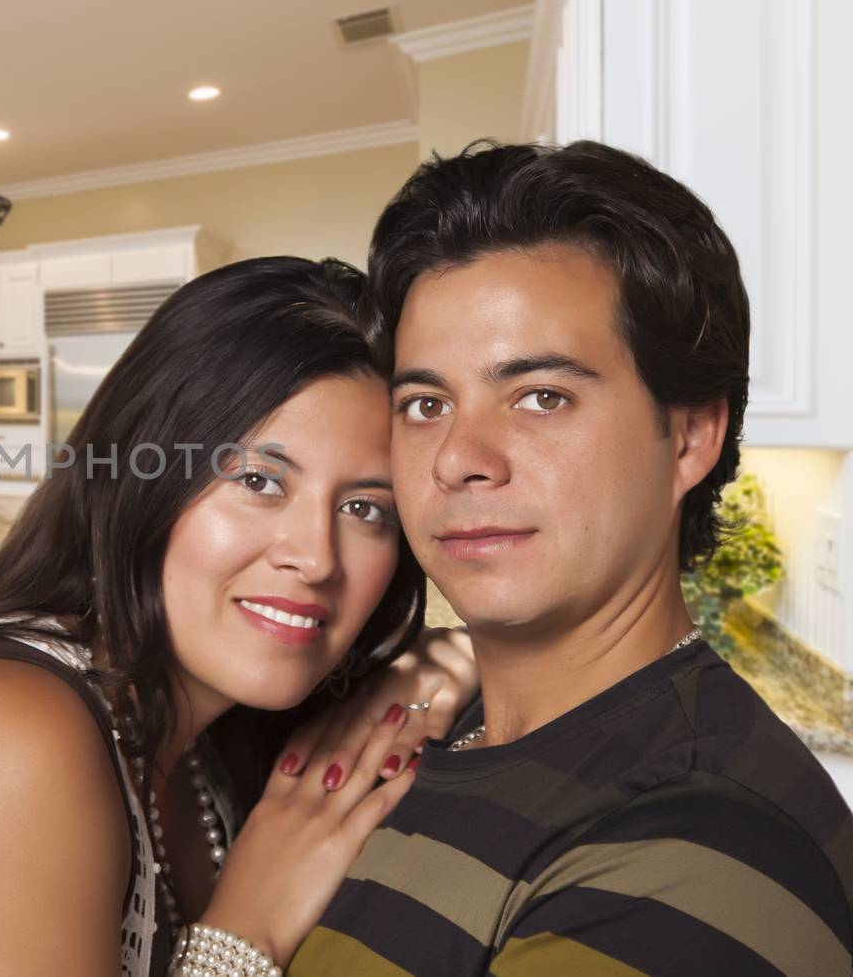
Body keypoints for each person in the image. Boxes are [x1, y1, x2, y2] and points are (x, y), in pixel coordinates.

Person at [0, 256, 480, 976]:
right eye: (259, 481)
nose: (316, 558)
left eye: (365, 509)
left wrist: (420, 670)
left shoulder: (209, 725)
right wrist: (246, 935)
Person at [292, 141, 853, 976]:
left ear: (691, 435)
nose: (458, 457)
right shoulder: (441, 732)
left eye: (542, 397)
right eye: (425, 402)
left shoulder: (693, 849)